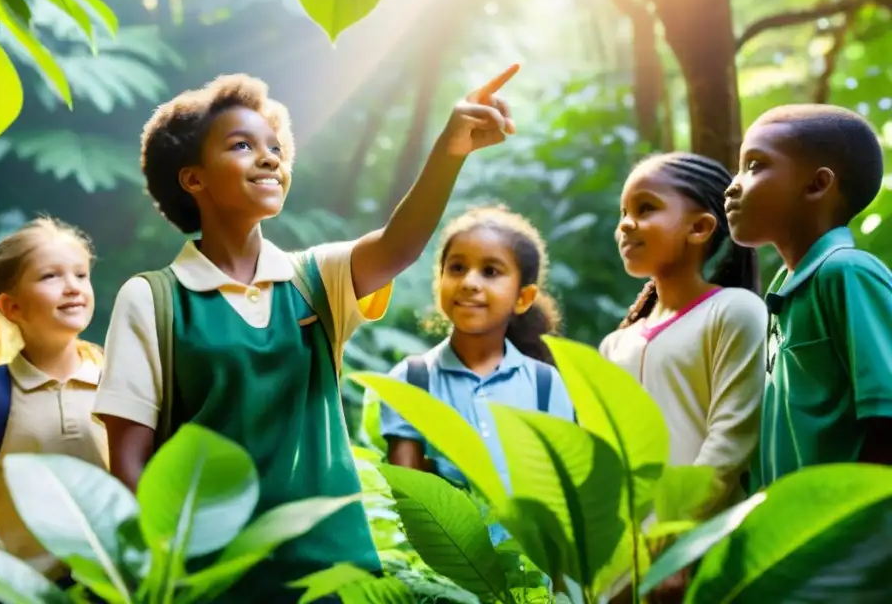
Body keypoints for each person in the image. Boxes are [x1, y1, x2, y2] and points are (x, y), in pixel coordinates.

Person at [93, 66, 520, 602]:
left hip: (335, 573)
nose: (270, 157)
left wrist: (450, 149)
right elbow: (129, 460)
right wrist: (162, 574)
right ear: (193, 178)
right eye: (242, 145)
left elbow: (399, 246)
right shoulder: (153, 297)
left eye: (275, 146)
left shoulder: (316, 280)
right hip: (211, 582)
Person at [726, 104, 892, 489]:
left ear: (817, 185)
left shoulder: (847, 272)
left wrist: (854, 525)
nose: (733, 184)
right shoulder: (786, 291)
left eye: (754, 166)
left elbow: (886, 415)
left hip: (849, 534)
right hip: (797, 537)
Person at [600, 152, 767, 510]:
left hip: (704, 545)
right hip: (624, 556)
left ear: (700, 228)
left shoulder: (735, 312)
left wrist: (674, 532)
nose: (626, 224)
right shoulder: (614, 345)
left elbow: (731, 441)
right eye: (623, 213)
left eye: (645, 209)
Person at [0, 218, 107, 592]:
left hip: (109, 591)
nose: (72, 288)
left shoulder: (118, 384)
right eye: (50, 277)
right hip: (11, 593)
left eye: (81, 275)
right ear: (11, 306)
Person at [380, 205, 573, 498]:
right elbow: (411, 502)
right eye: (457, 268)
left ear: (523, 298)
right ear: (439, 282)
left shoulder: (547, 386)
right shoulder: (410, 381)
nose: (469, 283)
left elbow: (562, 494)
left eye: (490, 271)